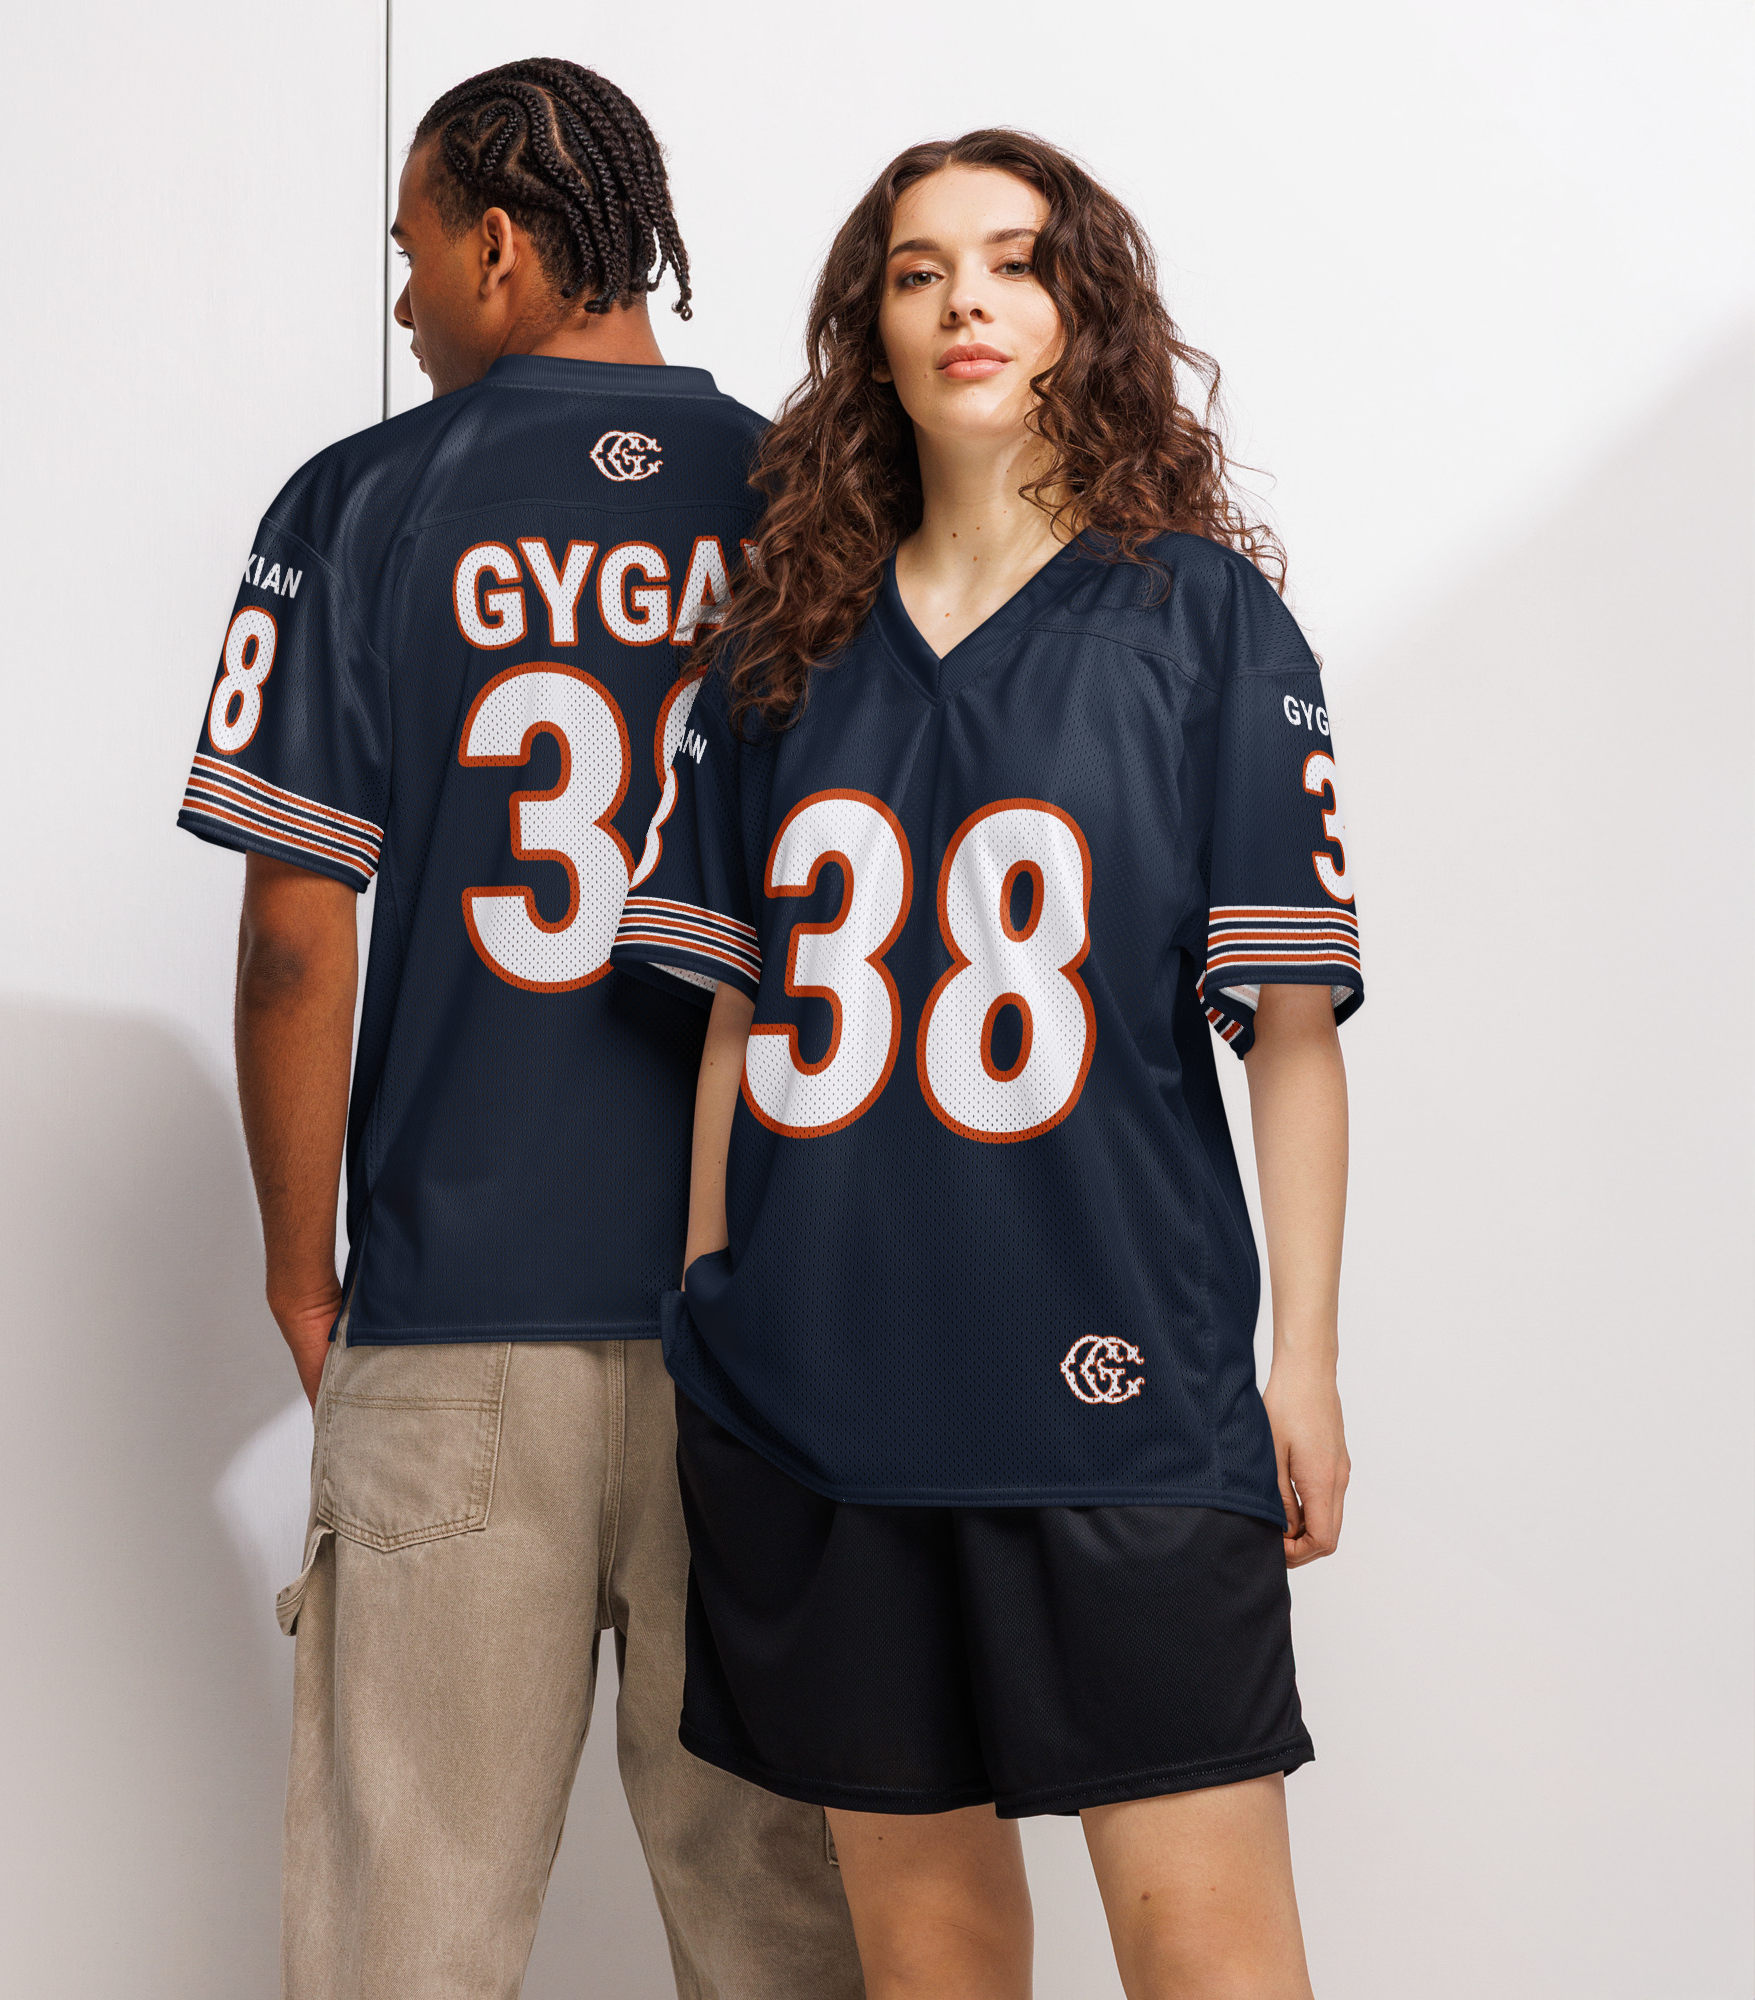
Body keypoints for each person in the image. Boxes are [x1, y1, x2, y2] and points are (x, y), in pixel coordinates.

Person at [609, 129, 1358, 1999]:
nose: (967, 302)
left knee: (1212, 1952)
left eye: (1014, 262)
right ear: (870, 324)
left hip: (1122, 1382)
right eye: (920, 269)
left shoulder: (1200, 621)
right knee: (928, 1956)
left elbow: (1288, 1027)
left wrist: (1306, 1361)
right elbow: (737, 1013)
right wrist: (709, 1298)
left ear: (1080, 309)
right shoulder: (775, 651)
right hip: (823, 1395)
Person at [176, 58, 863, 2000]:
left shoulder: (364, 501)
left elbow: (295, 941)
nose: (404, 301)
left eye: (412, 252)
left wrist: (299, 1273)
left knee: (403, 1936)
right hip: (777, 1324)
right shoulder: (820, 505)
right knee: (791, 1942)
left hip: (459, 1305)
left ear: (496, 246)